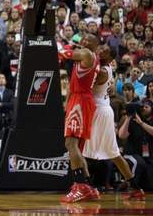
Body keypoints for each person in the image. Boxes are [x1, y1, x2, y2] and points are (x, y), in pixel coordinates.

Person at [83, 45, 144, 200]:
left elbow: (85, 86)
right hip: (101, 110)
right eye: (101, 48)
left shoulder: (103, 71)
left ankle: (86, 187)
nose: (100, 51)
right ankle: (136, 187)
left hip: (99, 112)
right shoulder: (102, 65)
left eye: (104, 51)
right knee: (113, 153)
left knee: (79, 149)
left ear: (110, 58)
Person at [59, 34, 101, 203]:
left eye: (88, 40)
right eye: (83, 39)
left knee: (70, 143)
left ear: (95, 45)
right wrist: (67, 103)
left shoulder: (86, 53)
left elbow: (63, 53)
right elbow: (72, 82)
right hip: (81, 99)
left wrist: (64, 45)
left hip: (81, 100)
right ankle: (88, 186)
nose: (84, 42)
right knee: (76, 146)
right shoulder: (89, 56)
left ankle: (80, 186)